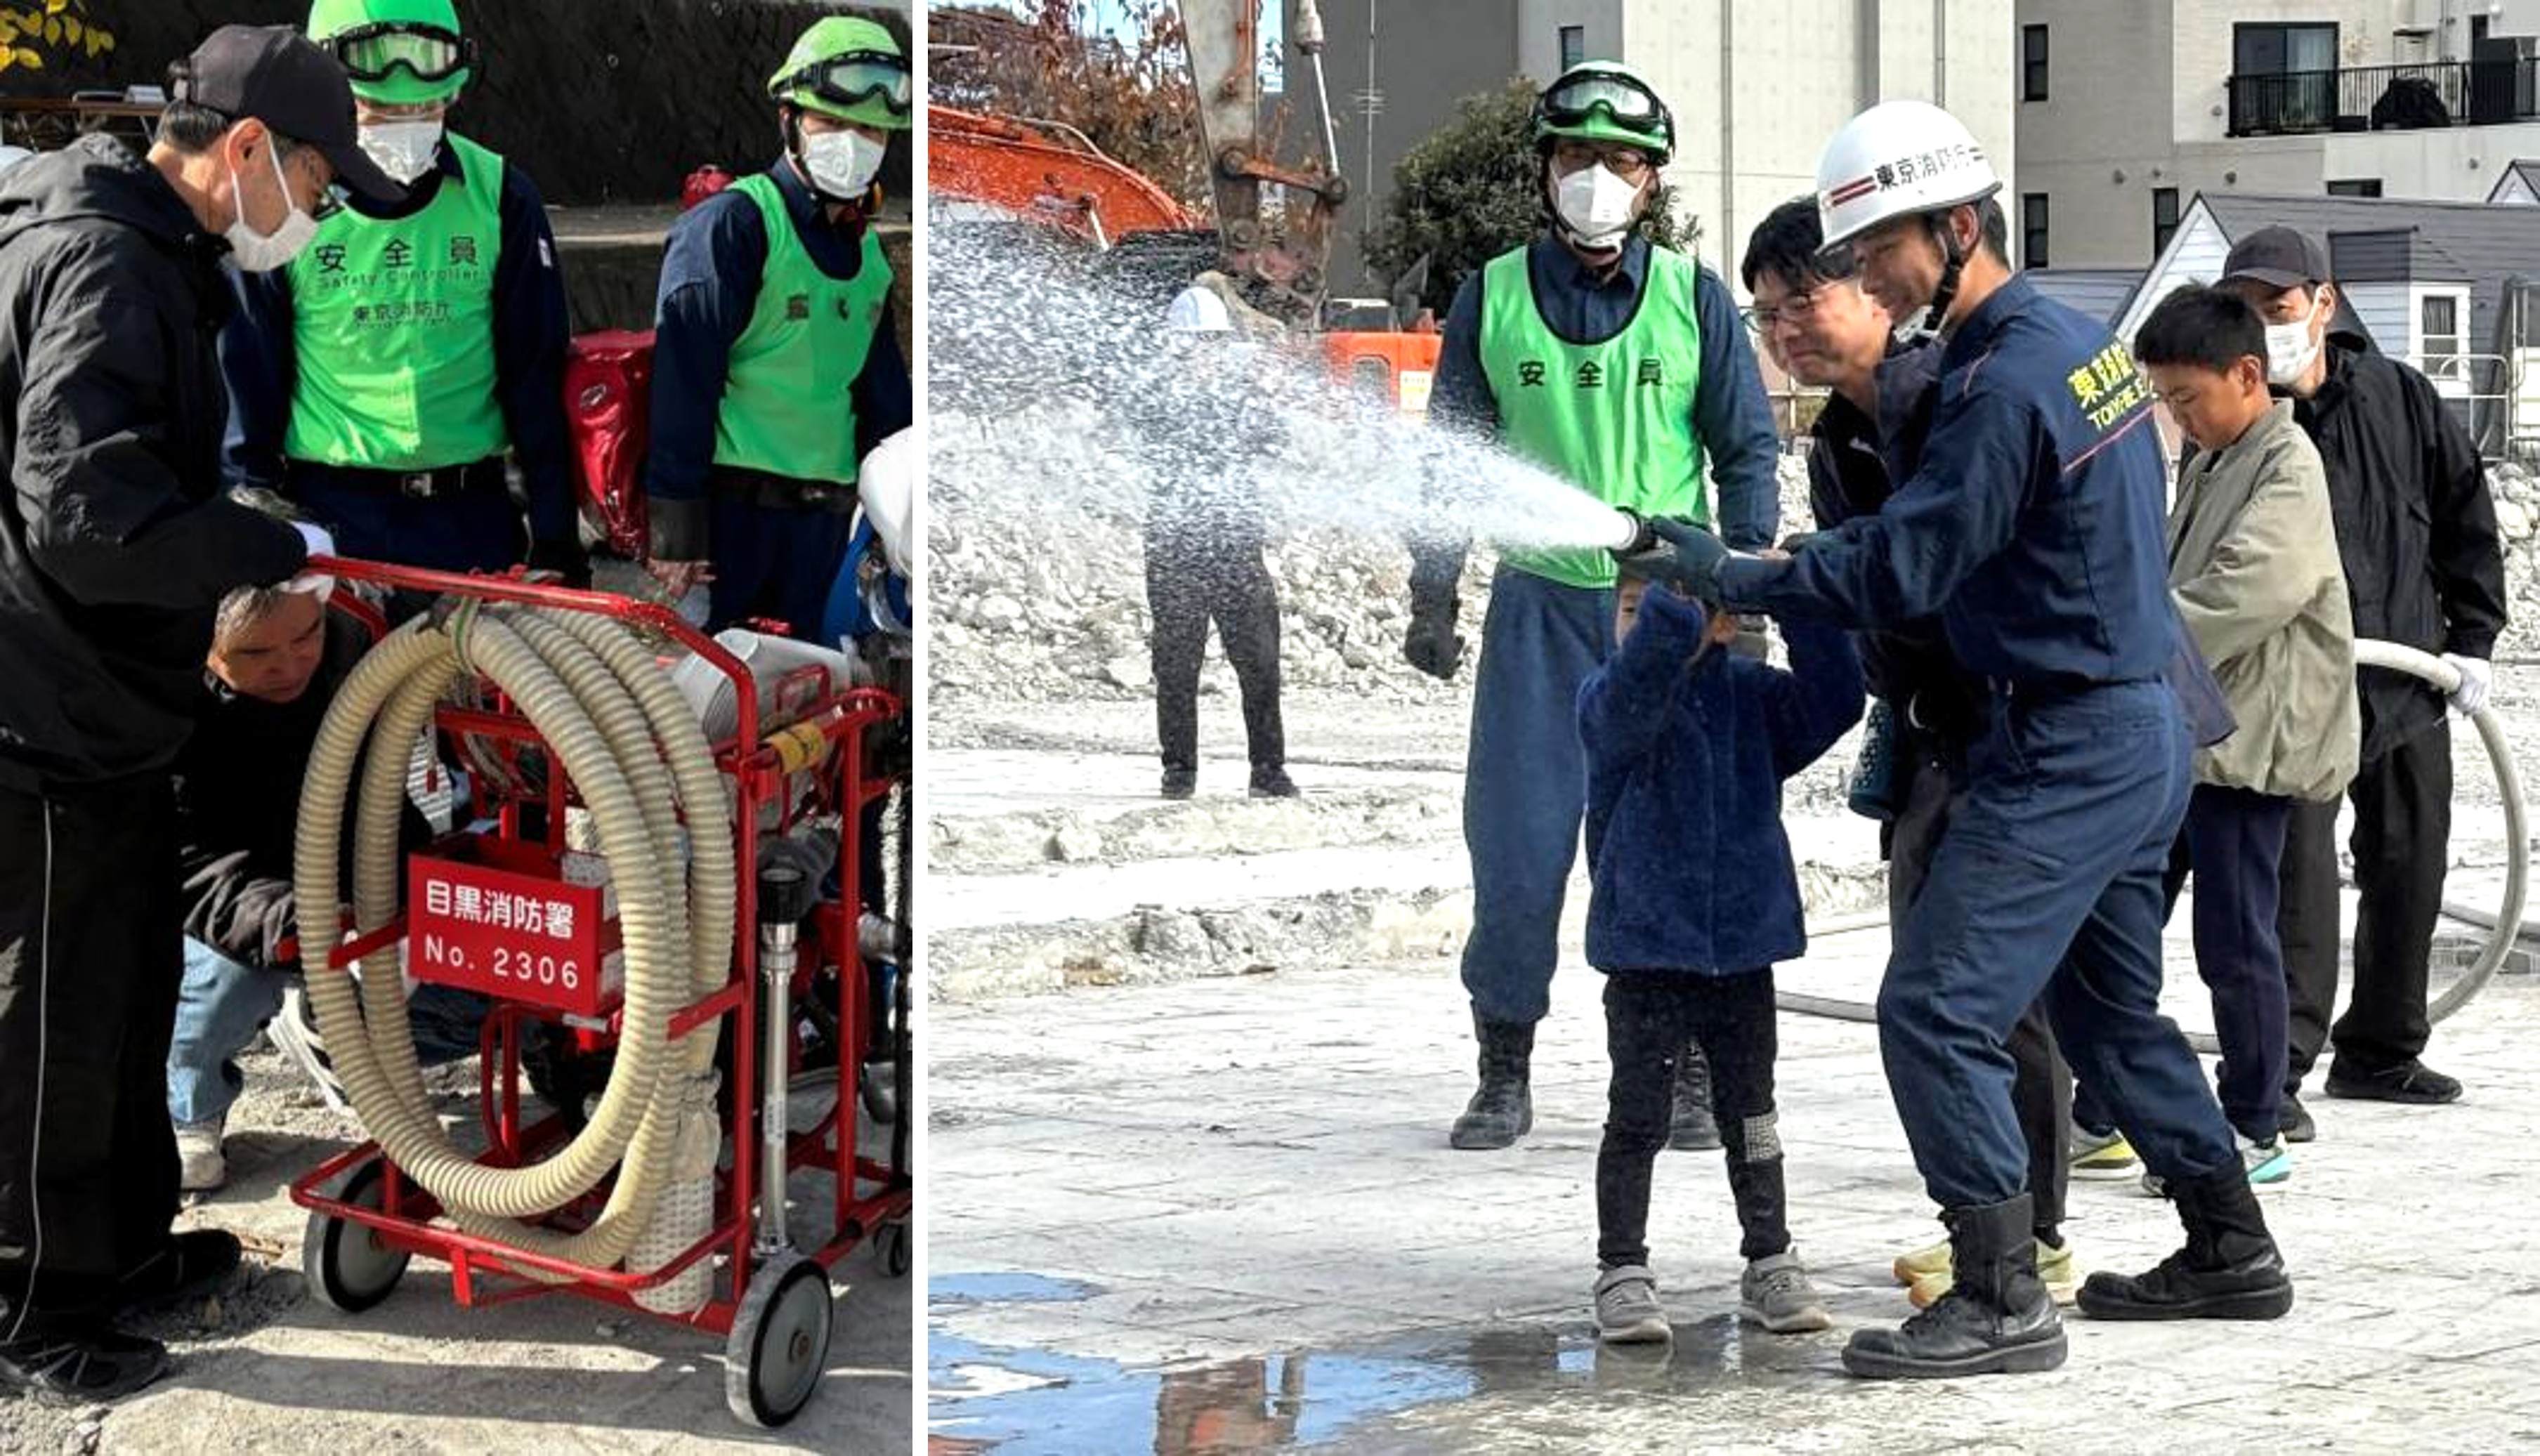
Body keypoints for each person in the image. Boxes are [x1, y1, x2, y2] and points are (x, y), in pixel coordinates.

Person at [1635, 98, 2296, 1379]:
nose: (1869, 276)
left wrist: (1737, 570)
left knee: (1935, 1007)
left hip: (2068, 737)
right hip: (2142, 720)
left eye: (1880, 248)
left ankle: (1999, 1292)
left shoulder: (2002, 386)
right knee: (2108, 1015)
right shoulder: (2075, 344)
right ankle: (2231, 1245)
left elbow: (1909, 563)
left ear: (1955, 228)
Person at [0, 24, 399, 1401]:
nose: (319, 213)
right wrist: (263, 546)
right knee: (53, 1020)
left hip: (107, 700)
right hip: (42, 704)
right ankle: (35, 1308)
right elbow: (86, 516)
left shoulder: (150, 248)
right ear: (245, 149)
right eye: (318, 182)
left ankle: (114, 1249)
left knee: (123, 990)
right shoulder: (106, 261)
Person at [1410, 59, 1781, 1152]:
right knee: (1518, 850)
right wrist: (1433, 593)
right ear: (1544, 169)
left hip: (1664, 619)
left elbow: (1745, 448)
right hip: (1540, 611)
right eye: (1577, 156)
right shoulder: (1491, 295)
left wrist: (1746, 586)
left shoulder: (1693, 299)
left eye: (1622, 161)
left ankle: (1685, 1075)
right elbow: (1448, 461)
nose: (1597, 179)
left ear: (1652, 181)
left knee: (1674, 849)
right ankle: (1503, 1067)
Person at [1738, 195, 2089, 1311]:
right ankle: (1999, 1228)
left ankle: (2030, 1241)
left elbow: (1925, 565)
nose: (1787, 328)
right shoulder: (1842, 435)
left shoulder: (1955, 399)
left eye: (1804, 299)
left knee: (1987, 991)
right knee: (1944, 979)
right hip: (1936, 724)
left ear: (1874, 284)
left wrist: (1775, 577)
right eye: (1767, 314)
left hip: (2017, 720)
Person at [2215, 228, 2508, 1134]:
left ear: (2323, 303)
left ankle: (2382, 1050)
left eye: (2278, 307)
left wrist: (2473, 641)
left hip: (2407, 676)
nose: (2265, 327)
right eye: (2244, 311)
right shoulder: (2238, 421)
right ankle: (2276, 1075)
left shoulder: (2399, 397)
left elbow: (2464, 516)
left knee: (2409, 862)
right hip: (2296, 691)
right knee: (2296, 887)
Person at [2079, 283, 2357, 1190]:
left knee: (2236, 939)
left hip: (2249, 746)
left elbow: (2251, 590)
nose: (2178, 417)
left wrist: (2127, 640)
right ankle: (2102, 1108)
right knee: (2122, 921)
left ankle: (2254, 1122)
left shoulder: (2287, 463)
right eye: (2165, 399)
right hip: (2190, 737)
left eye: (2187, 397)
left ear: (2246, 375)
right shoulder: (2214, 459)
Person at [1580, 568, 1860, 1344]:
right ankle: (1621, 1268)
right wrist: (1680, 607)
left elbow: (1837, 699)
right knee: (1637, 1116)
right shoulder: (1609, 698)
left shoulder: (1752, 697)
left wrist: (1797, 593)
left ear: (1725, 625)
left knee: (1752, 1114)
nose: (1643, 624)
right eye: (1631, 609)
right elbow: (1635, 688)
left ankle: (1770, 1257)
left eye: (1666, 610)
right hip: (1646, 952)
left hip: (1742, 949)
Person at [221, 0, 581, 582]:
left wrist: (557, 539)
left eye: (424, 107)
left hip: (471, 514)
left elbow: (535, 378)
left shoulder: (500, 196)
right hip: (334, 512)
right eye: (380, 109)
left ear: (454, 91)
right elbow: (247, 380)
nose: (405, 122)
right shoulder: (282, 203)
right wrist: (251, 527)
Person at [170, 565, 483, 1195]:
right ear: (204, 642)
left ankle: (331, 1034)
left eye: (304, 637)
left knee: (488, 986)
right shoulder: (167, 705)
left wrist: (483, 605)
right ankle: (191, 1105)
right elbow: (186, 864)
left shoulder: (356, 637)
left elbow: (420, 604)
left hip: (365, 865)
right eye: (255, 653)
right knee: (226, 980)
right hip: (241, 896)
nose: (288, 665)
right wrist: (295, 920)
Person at [644, 15, 914, 638]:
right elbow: (683, 385)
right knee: (718, 688)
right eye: (833, 122)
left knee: (815, 682)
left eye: (871, 129)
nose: (854, 142)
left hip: (825, 528)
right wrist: (676, 532)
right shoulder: (734, 227)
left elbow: (885, 405)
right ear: (789, 119)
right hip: (732, 523)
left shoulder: (869, 259)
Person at [1142, 280, 1295, 799]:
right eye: (1194, 345)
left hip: (1236, 548)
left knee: (1260, 662)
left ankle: (1268, 770)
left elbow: (1275, 438)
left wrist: (1264, 395)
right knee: (1176, 664)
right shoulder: (1156, 399)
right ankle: (1179, 771)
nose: (1202, 355)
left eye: (1211, 344)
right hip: (1175, 550)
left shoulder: (1240, 398)